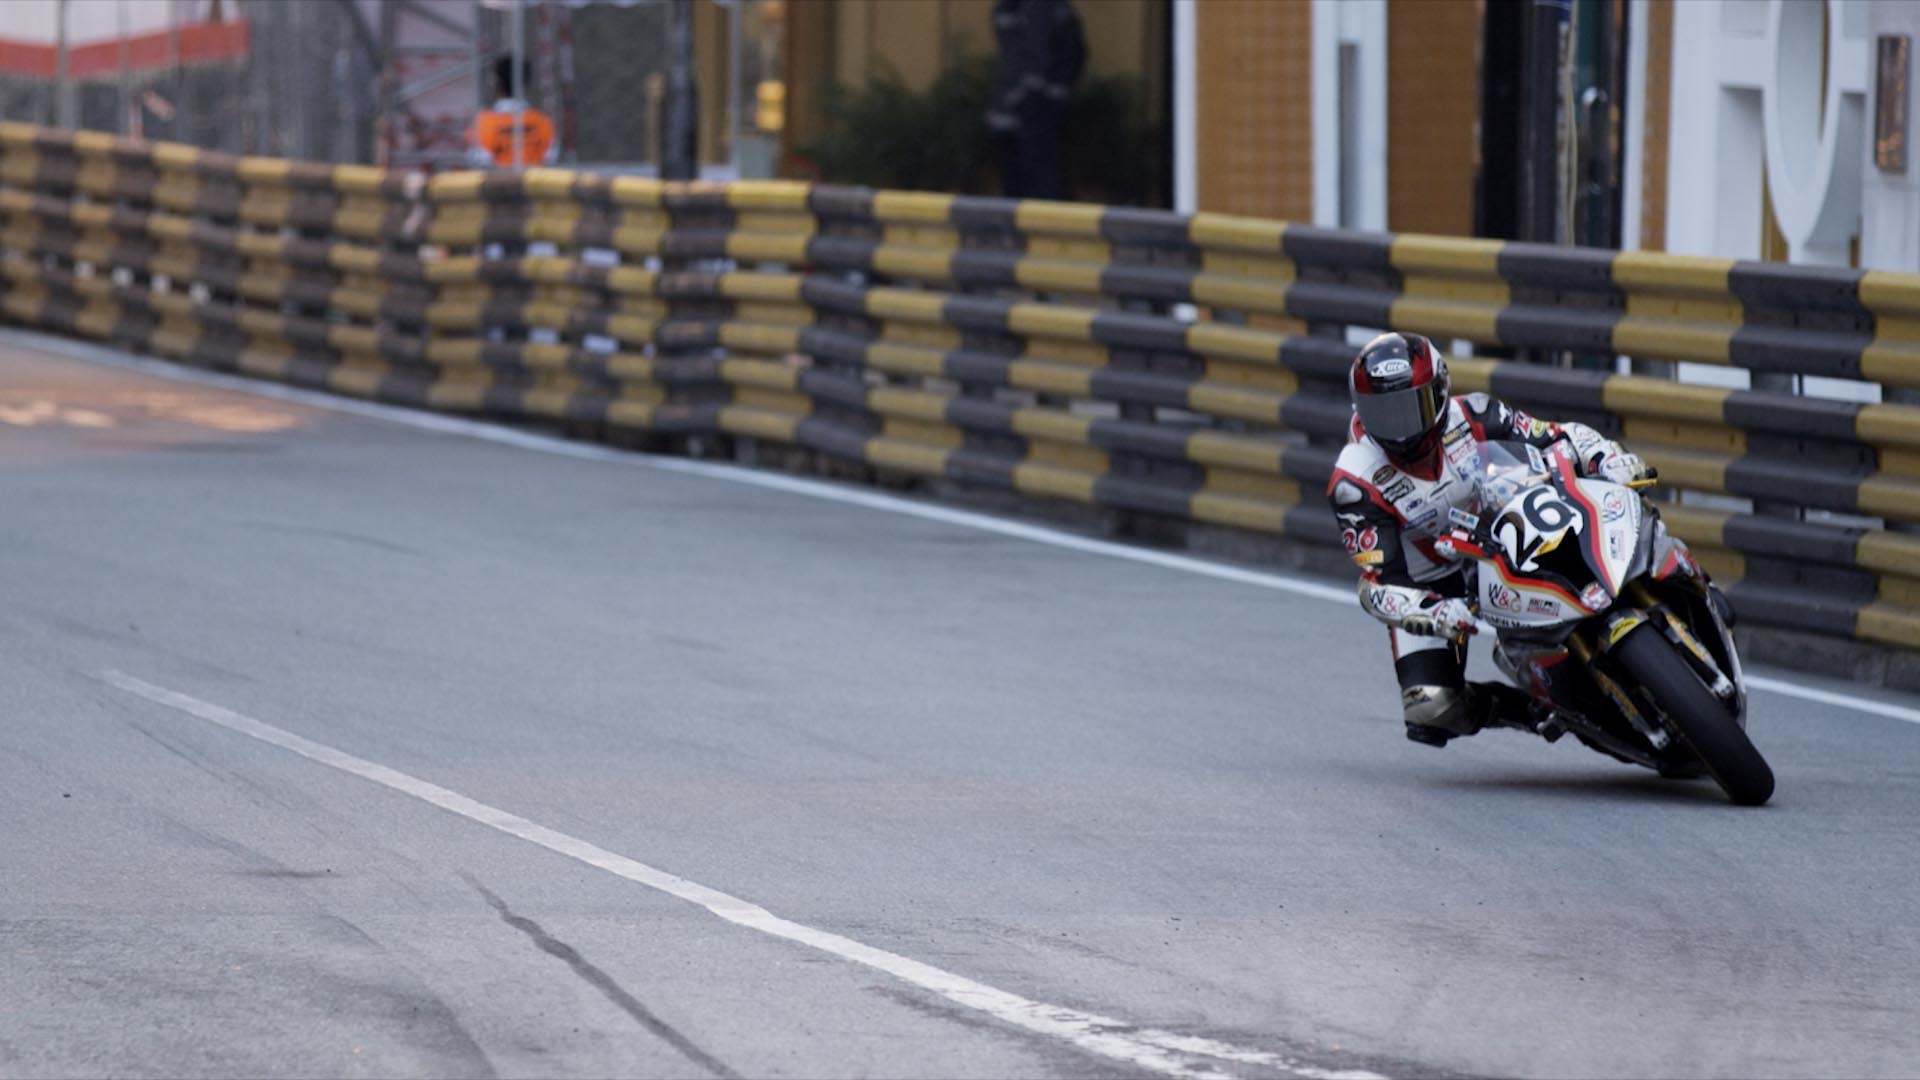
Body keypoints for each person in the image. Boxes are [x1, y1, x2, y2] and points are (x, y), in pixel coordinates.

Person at [1327, 332, 1656, 747]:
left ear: (1440, 391)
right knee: (1432, 708)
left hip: (1513, 528)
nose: (1400, 429)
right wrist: (1429, 611)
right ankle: (1540, 710)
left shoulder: (1475, 413)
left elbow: (1557, 435)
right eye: (1384, 414)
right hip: (1438, 584)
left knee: (1624, 511)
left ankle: (1669, 578)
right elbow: (1377, 585)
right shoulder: (1354, 482)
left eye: (1410, 408)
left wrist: (1607, 457)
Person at [987, 0, 1085, 199]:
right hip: (1020, 105)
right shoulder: (1010, 8)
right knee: (1023, 178)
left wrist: (1022, 93)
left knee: (1038, 179)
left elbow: (1036, 56)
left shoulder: (1039, 8)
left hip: (1035, 106)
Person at [467, 56, 557, 169]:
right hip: (535, 179)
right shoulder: (543, 122)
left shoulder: (482, 123)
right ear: (526, 83)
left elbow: (479, 163)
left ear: (497, 84)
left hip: (498, 180)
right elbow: (550, 158)